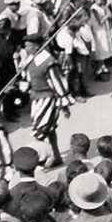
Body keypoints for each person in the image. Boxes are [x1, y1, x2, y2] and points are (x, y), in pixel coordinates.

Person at [23, 32, 74, 169]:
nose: (25, 48)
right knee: (49, 129)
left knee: (40, 130)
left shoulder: (49, 62)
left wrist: (64, 105)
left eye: (28, 46)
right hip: (36, 98)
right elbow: (28, 78)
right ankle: (56, 156)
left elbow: (58, 82)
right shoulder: (30, 59)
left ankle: (43, 158)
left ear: (36, 46)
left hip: (47, 99)